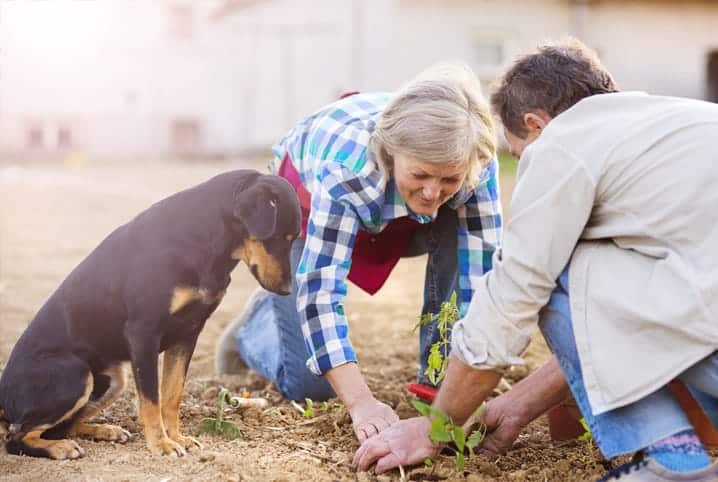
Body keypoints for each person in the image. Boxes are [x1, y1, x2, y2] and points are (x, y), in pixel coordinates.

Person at [352, 38, 718, 481]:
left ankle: (672, 461)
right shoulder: (683, 122)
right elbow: (631, 316)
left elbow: (512, 299)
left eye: (519, 154)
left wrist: (436, 428)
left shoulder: (564, 142)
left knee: (562, 258)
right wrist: (520, 401)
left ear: (535, 124)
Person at [215, 62, 502, 443]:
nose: (433, 193)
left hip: (396, 212)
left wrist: (455, 396)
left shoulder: (474, 159)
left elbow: (480, 278)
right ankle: (255, 327)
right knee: (312, 388)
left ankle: (435, 380)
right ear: (392, 153)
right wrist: (362, 403)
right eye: (420, 175)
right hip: (300, 207)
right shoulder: (347, 168)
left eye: (448, 179)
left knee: (457, 232)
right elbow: (322, 292)